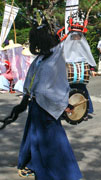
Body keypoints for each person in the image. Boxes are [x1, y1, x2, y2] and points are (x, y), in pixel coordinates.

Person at [16, 15, 82, 179]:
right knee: (52, 143)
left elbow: (31, 86)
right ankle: (61, 174)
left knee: (34, 137)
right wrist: (63, 104)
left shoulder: (41, 59)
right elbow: (45, 91)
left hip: (36, 105)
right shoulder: (53, 58)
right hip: (44, 108)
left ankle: (26, 163)